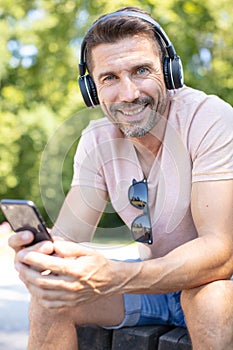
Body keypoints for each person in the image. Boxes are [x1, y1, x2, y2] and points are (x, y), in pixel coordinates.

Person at [8, 6, 233, 350]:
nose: (128, 94)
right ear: (92, 89)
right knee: (53, 300)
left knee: (208, 299)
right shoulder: (97, 141)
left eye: (141, 70)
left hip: (219, 283)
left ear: (170, 72)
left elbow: (220, 252)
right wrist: (41, 256)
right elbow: (68, 237)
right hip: (153, 285)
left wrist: (118, 276)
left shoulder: (210, 119)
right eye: (109, 78)